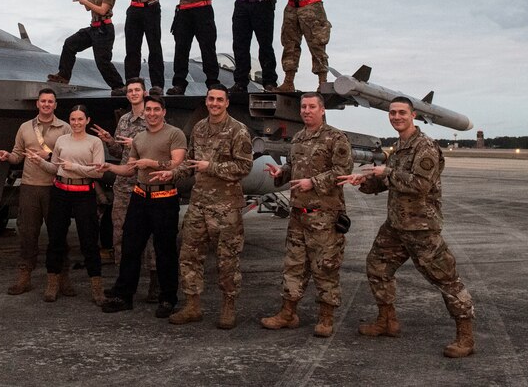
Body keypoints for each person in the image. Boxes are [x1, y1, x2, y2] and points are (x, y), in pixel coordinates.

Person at [338, 96, 476, 358]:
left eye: (402, 113)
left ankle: (465, 336)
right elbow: (388, 183)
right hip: (396, 226)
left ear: (414, 115)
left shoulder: (425, 147)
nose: (396, 117)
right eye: (392, 113)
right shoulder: (399, 148)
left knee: (446, 280)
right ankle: (387, 321)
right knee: (377, 267)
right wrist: (364, 181)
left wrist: (385, 173)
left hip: (421, 228)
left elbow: (419, 185)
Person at [260, 92, 353, 337]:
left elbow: (343, 171)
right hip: (298, 214)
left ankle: (326, 317)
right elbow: (294, 167)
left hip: (324, 216)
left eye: (312, 106)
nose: (306, 111)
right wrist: (281, 171)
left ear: (322, 110)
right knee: (293, 265)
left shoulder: (336, 138)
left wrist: (313, 182)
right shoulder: (299, 137)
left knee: (325, 267)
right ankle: (288, 313)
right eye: (303, 107)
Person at [160, 85, 253, 329]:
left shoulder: (238, 131)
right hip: (199, 203)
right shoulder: (199, 128)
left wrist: (210, 167)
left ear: (227, 103)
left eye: (219, 100)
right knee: (189, 255)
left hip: (226, 207)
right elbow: (191, 163)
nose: (214, 103)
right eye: (211, 99)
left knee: (227, 260)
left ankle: (228, 307)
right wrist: (170, 174)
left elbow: (244, 168)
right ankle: (193, 306)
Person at [97, 95, 186, 317]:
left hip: (164, 197)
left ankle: (167, 299)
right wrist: (108, 166)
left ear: (164, 112)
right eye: (149, 110)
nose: (152, 113)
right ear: (144, 112)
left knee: (164, 250)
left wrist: (152, 163)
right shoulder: (139, 137)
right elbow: (130, 169)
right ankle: (124, 295)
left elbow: (178, 163)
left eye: (157, 109)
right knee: (130, 247)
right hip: (139, 196)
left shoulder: (175, 134)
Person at [0, 89, 71, 295]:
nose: (46, 104)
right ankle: (24, 276)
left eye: (50, 101)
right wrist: (8, 156)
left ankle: (62, 278)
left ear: (55, 105)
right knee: (27, 233)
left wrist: (49, 154)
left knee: (58, 234)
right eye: (43, 101)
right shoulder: (25, 128)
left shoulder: (65, 128)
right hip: (29, 186)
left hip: (56, 187)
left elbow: (70, 157)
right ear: (37, 104)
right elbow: (18, 155)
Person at [28, 105, 106, 305]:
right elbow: (55, 168)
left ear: (87, 120)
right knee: (55, 240)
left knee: (89, 241)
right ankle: (52, 283)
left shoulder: (95, 142)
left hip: (84, 194)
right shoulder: (62, 140)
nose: (76, 123)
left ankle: (97, 288)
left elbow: (98, 172)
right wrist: (39, 162)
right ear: (69, 121)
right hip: (61, 192)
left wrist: (75, 167)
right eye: (73, 119)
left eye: (80, 119)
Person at [89, 78, 158, 302]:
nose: (134, 94)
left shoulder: (153, 119)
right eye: (130, 91)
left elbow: (161, 153)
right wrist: (110, 141)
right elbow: (121, 154)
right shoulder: (124, 120)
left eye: (137, 90)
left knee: (150, 237)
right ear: (127, 95)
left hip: (147, 185)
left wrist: (136, 144)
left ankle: (155, 284)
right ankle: (124, 283)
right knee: (121, 235)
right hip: (124, 187)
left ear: (144, 92)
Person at [48, 0, 125, 94]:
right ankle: (63, 76)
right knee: (69, 44)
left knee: (102, 62)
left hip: (104, 29)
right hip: (93, 28)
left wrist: (85, 2)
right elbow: (88, 8)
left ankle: (119, 87)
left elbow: (102, 10)